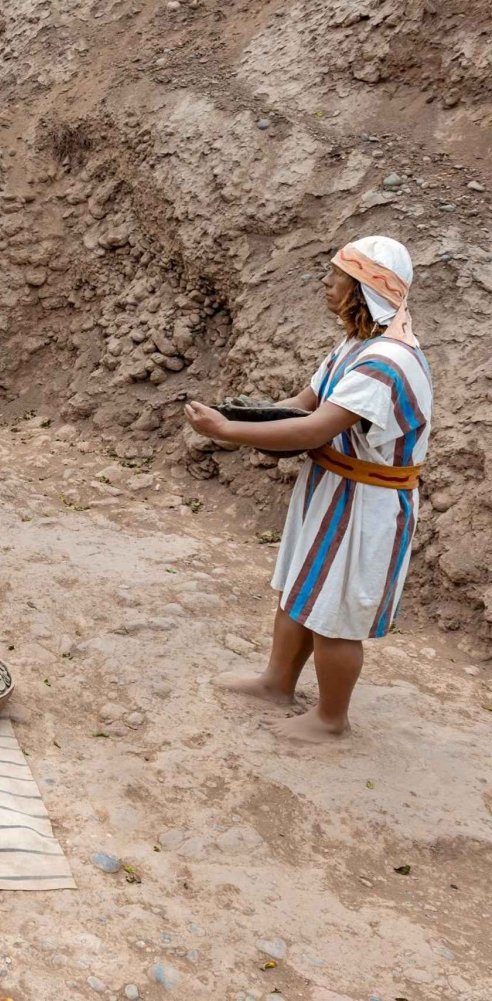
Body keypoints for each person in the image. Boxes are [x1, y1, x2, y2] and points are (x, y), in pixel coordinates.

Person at [184, 235, 432, 742]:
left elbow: (313, 429)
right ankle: (278, 682)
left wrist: (228, 430)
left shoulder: (386, 362)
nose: (326, 282)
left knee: (336, 610)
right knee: (302, 586)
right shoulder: (354, 345)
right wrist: (247, 414)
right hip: (334, 487)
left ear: (363, 289)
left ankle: (331, 718)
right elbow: (302, 404)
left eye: (337, 275)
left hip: (368, 503)